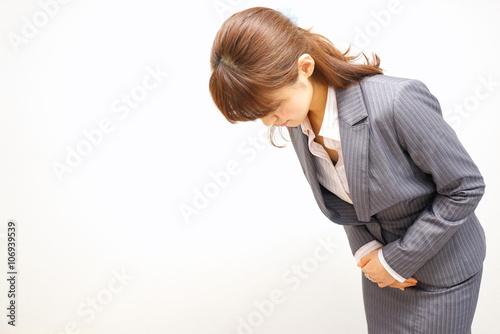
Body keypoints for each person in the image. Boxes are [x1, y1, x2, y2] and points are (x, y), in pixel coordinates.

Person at [208, 7, 486, 334]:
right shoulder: (297, 121)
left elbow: (465, 187)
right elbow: (346, 200)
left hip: (443, 271)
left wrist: (396, 261)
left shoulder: (396, 101)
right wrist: (370, 253)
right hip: (381, 275)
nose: (270, 122)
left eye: (271, 108)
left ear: (305, 67)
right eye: (259, 115)